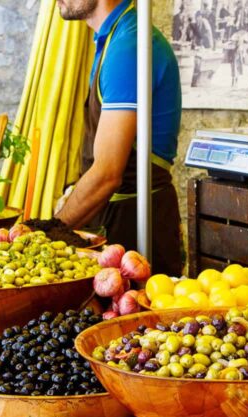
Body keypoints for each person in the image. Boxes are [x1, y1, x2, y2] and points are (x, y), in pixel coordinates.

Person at [54, 0, 183, 276]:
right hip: (114, 217)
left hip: (137, 227)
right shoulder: (113, 38)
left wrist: (49, 234)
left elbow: (107, 174)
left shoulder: (129, 46)